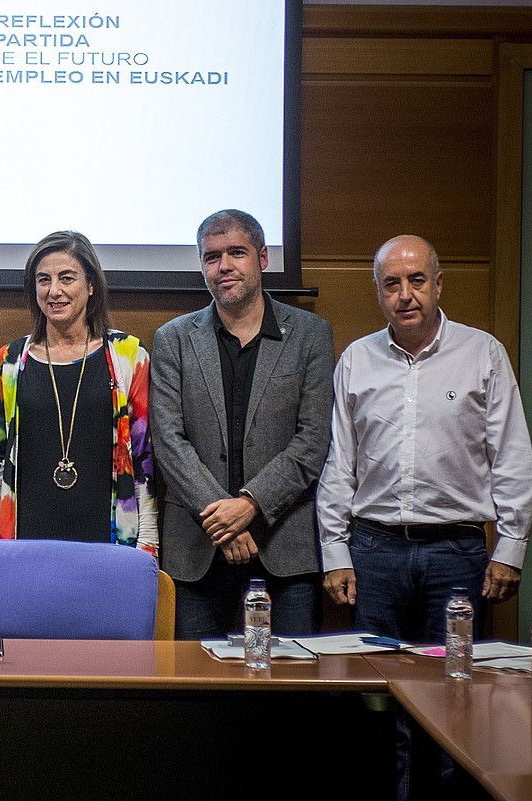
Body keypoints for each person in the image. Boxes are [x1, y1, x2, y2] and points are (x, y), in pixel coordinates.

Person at [318, 234, 532, 639]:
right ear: (378, 292)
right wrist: (335, 553)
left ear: (438, 284)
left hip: (456, 551)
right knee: (372, 684)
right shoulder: (356, 359)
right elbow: (340, 464)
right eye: (391, 284)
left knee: (453, 685)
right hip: (373, 551)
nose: (405, 295)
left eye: (417, 280)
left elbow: (511, 457)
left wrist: (510, 550)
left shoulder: (483, 353)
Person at [151, 209, 333, 639]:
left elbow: (312, 440)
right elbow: (168, 442)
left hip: (285, 545)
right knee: (196, 690)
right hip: (198, 546)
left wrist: (249, 505)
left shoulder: (310, 334)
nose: (224, 266)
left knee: (292, 690)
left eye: (237, 253)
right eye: (212, 257)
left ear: (263, 258)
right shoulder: (173, 338)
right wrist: (223, 519)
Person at [0, 230, 159, 552]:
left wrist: (147, 544)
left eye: (67, 278)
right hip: (25, 537)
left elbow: (143, 460)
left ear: (91, 286)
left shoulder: (128, 355)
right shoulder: (8, 362)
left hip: (107, 537)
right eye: (43, 279)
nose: (54, 291)